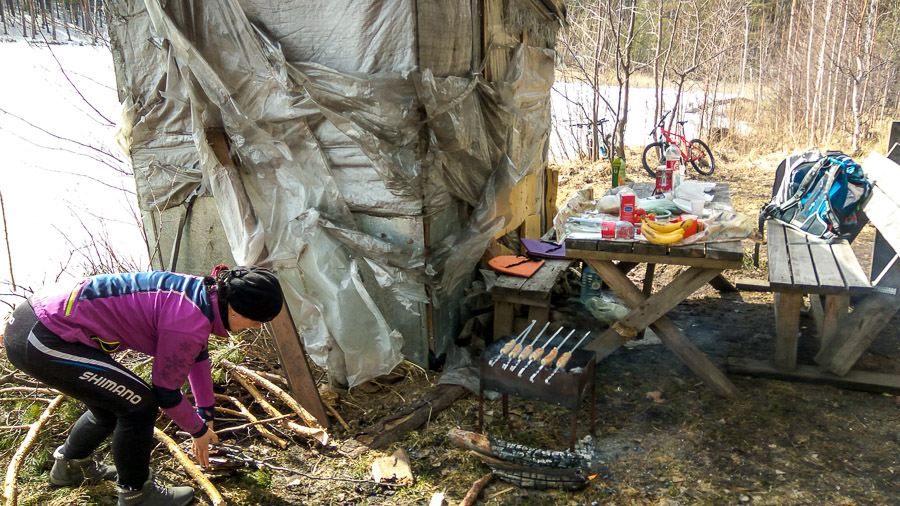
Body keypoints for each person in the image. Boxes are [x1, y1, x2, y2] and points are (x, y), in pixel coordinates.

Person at [2, 265, 284, 506]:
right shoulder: (188, 320)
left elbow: (197, 356)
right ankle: (137, 493)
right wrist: (197, 430)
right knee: (139, 404)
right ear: (235, 308)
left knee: (112, 404)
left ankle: (70, 467)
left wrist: (206, 411)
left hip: (37, 323)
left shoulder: (200, 295)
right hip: (42, 336)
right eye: (257, 320)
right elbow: (166, 392)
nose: (257, 327)